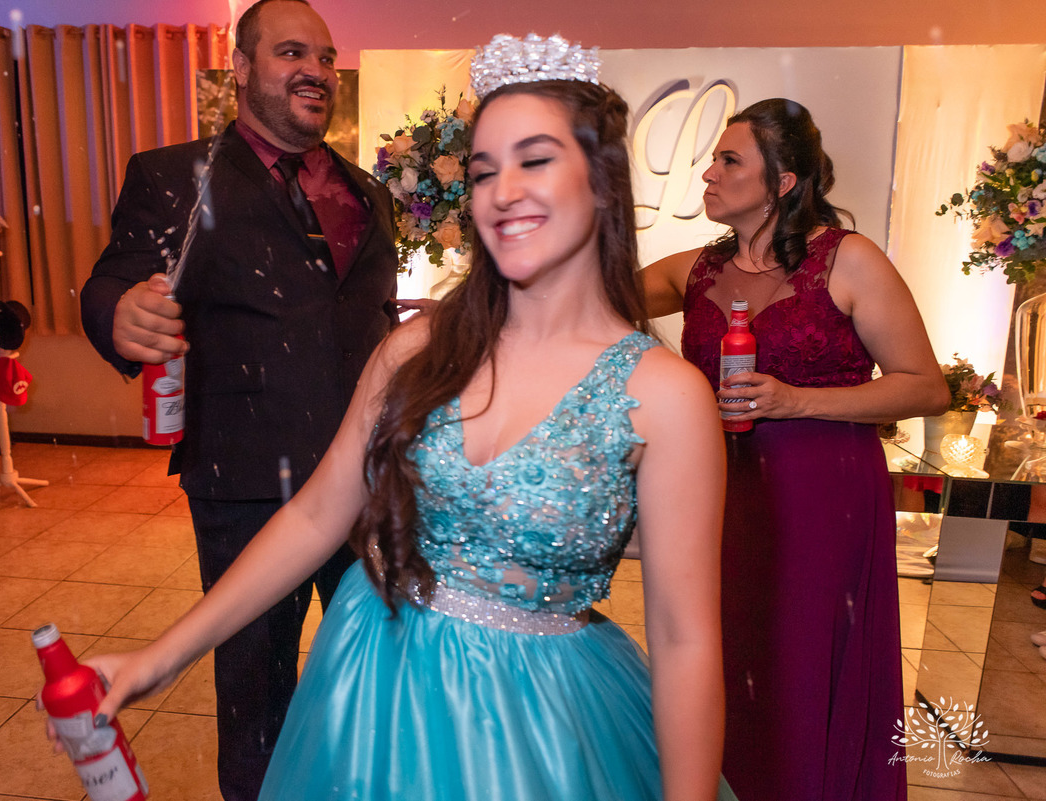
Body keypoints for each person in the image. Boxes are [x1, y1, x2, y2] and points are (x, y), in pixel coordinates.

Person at [71, 34, 737, 800]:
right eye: (483, 171)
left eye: (536, 159)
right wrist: (158, 656)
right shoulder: (418, 348)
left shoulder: (667, 395)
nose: (502, 190)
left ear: (604, 183)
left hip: (543, 718)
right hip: (376, 695)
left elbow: (686, 641)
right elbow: (318, 512)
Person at [78, 2, 398, 798]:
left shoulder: (368, 193)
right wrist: (118, 314)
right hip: (249, 480)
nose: (316, 71)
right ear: (241, 68)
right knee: (257, 691)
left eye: (326, 57)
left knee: (390, 666)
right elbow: (116, 278)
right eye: (292, 52)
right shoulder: (174, 176)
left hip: (373, 477)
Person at [641, 98, 950, 800]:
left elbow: (926, 387)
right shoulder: (695, 269)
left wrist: (796, 399)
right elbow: (586, 302)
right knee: (722, 651)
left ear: (782, 181)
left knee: (802, 658)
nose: (708, 174)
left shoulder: (849, 260)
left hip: (822, 495)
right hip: (719, 492)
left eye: (729, 160)